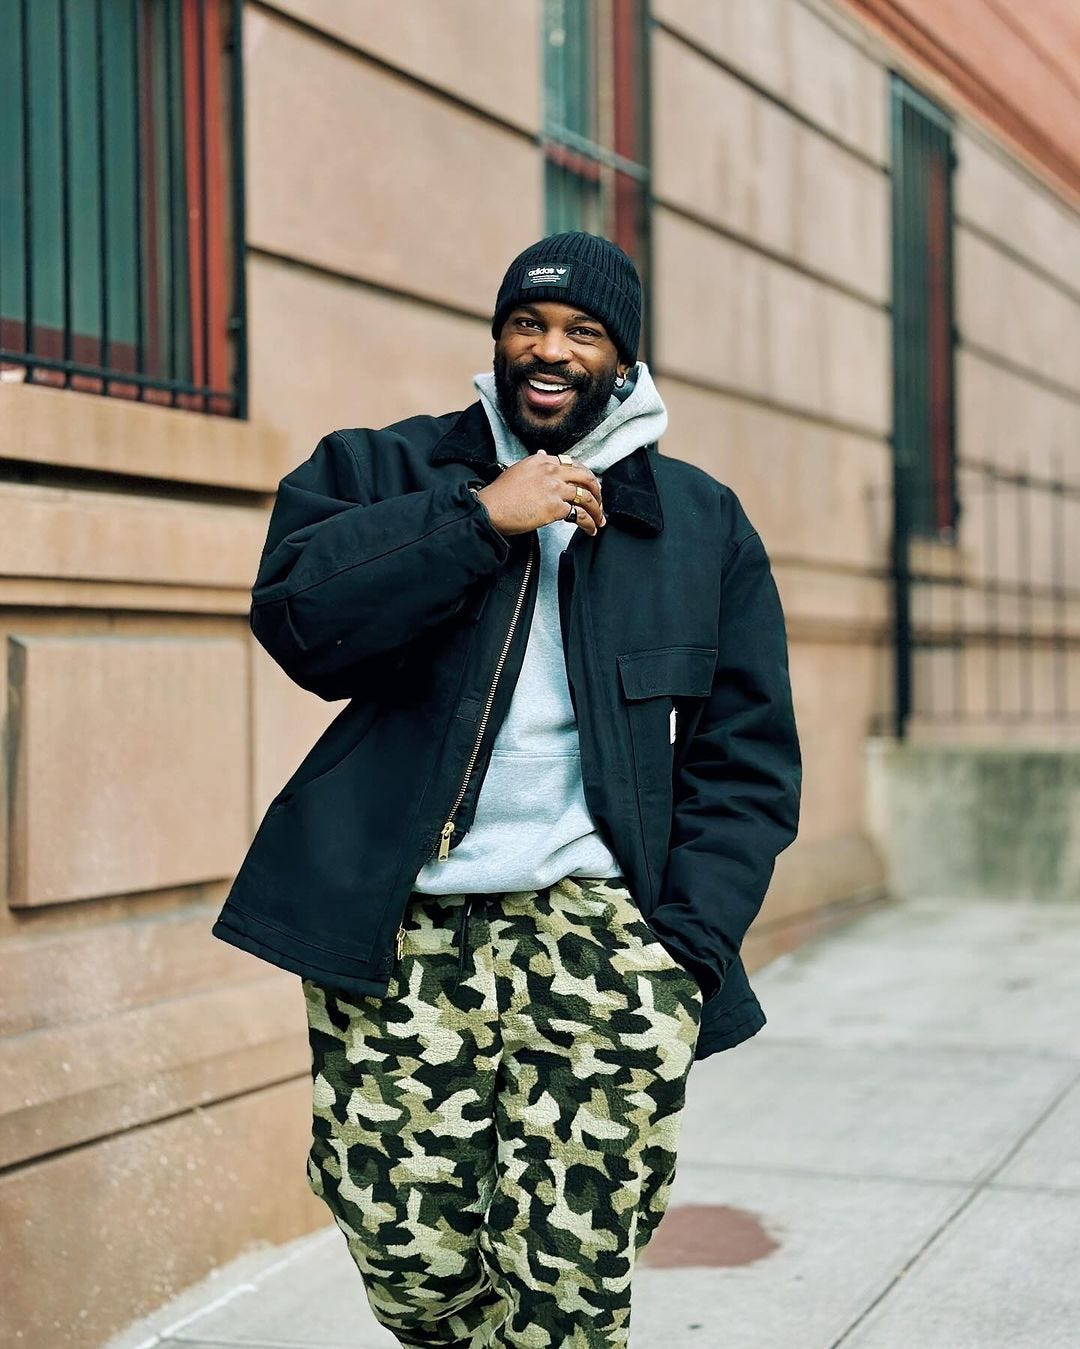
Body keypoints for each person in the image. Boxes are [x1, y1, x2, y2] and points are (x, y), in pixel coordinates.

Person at [213, 231, 801, 1348]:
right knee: (406, 1246)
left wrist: (685, 946)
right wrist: (480, 516)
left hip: (600, 928)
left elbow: (750, 753)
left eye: (584, 333)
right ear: (498, 337)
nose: (551, 349)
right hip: (404, 919)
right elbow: (300, 620)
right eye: (530, 323)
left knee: (569, 1271)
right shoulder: (384, 470)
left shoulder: (698, 521)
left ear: (622, 362)